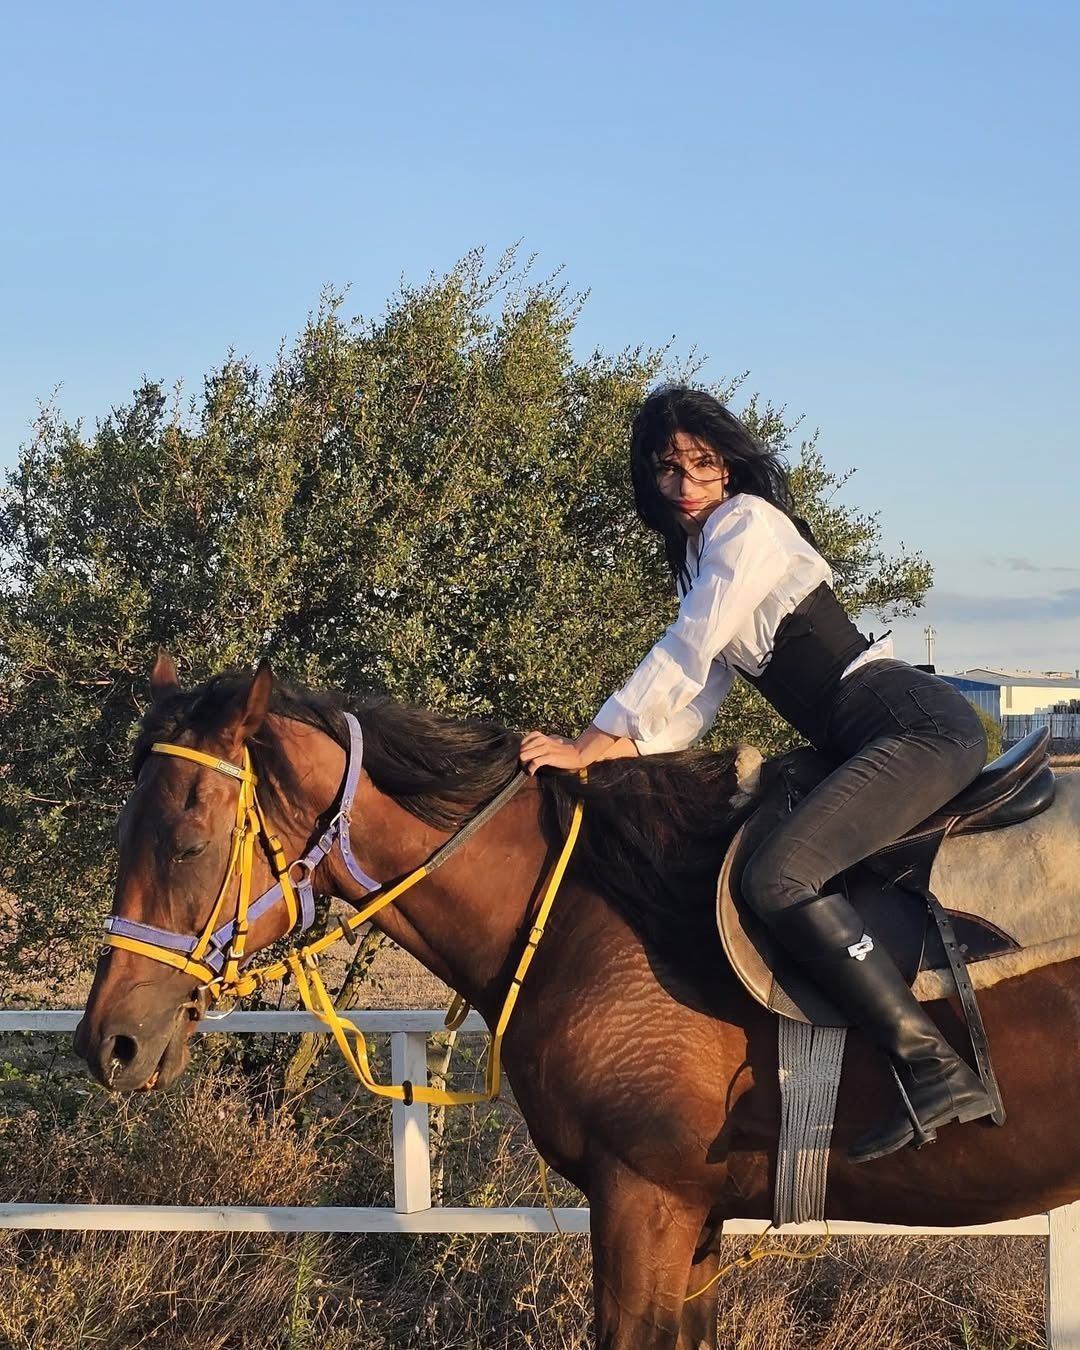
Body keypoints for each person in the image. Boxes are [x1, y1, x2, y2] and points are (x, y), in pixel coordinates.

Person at [519, 384, 994, 1163]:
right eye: (667, 466)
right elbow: (696, 696)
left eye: (701, 461)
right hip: (857, 735)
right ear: (649, 477)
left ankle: (932, 1066)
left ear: (727, 465)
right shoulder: (698, 560)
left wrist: (591, 737)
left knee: (777, 878)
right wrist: (615, 756)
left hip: (907, 722)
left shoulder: (747, 525)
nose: (685, 479)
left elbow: (691, 642)